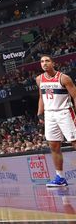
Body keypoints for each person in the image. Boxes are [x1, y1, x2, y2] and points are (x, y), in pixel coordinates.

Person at [37, 54, 76, 187]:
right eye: (42, 61)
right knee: (53, 145)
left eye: (47, 61)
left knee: (75, 142)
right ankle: (60, 178)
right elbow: (41, 97)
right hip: (50, 115)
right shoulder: (39, 79)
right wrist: (39, 113)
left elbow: (75, 96)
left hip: (65, 112)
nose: (44, 63)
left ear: (53, 63)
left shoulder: (64, 78)